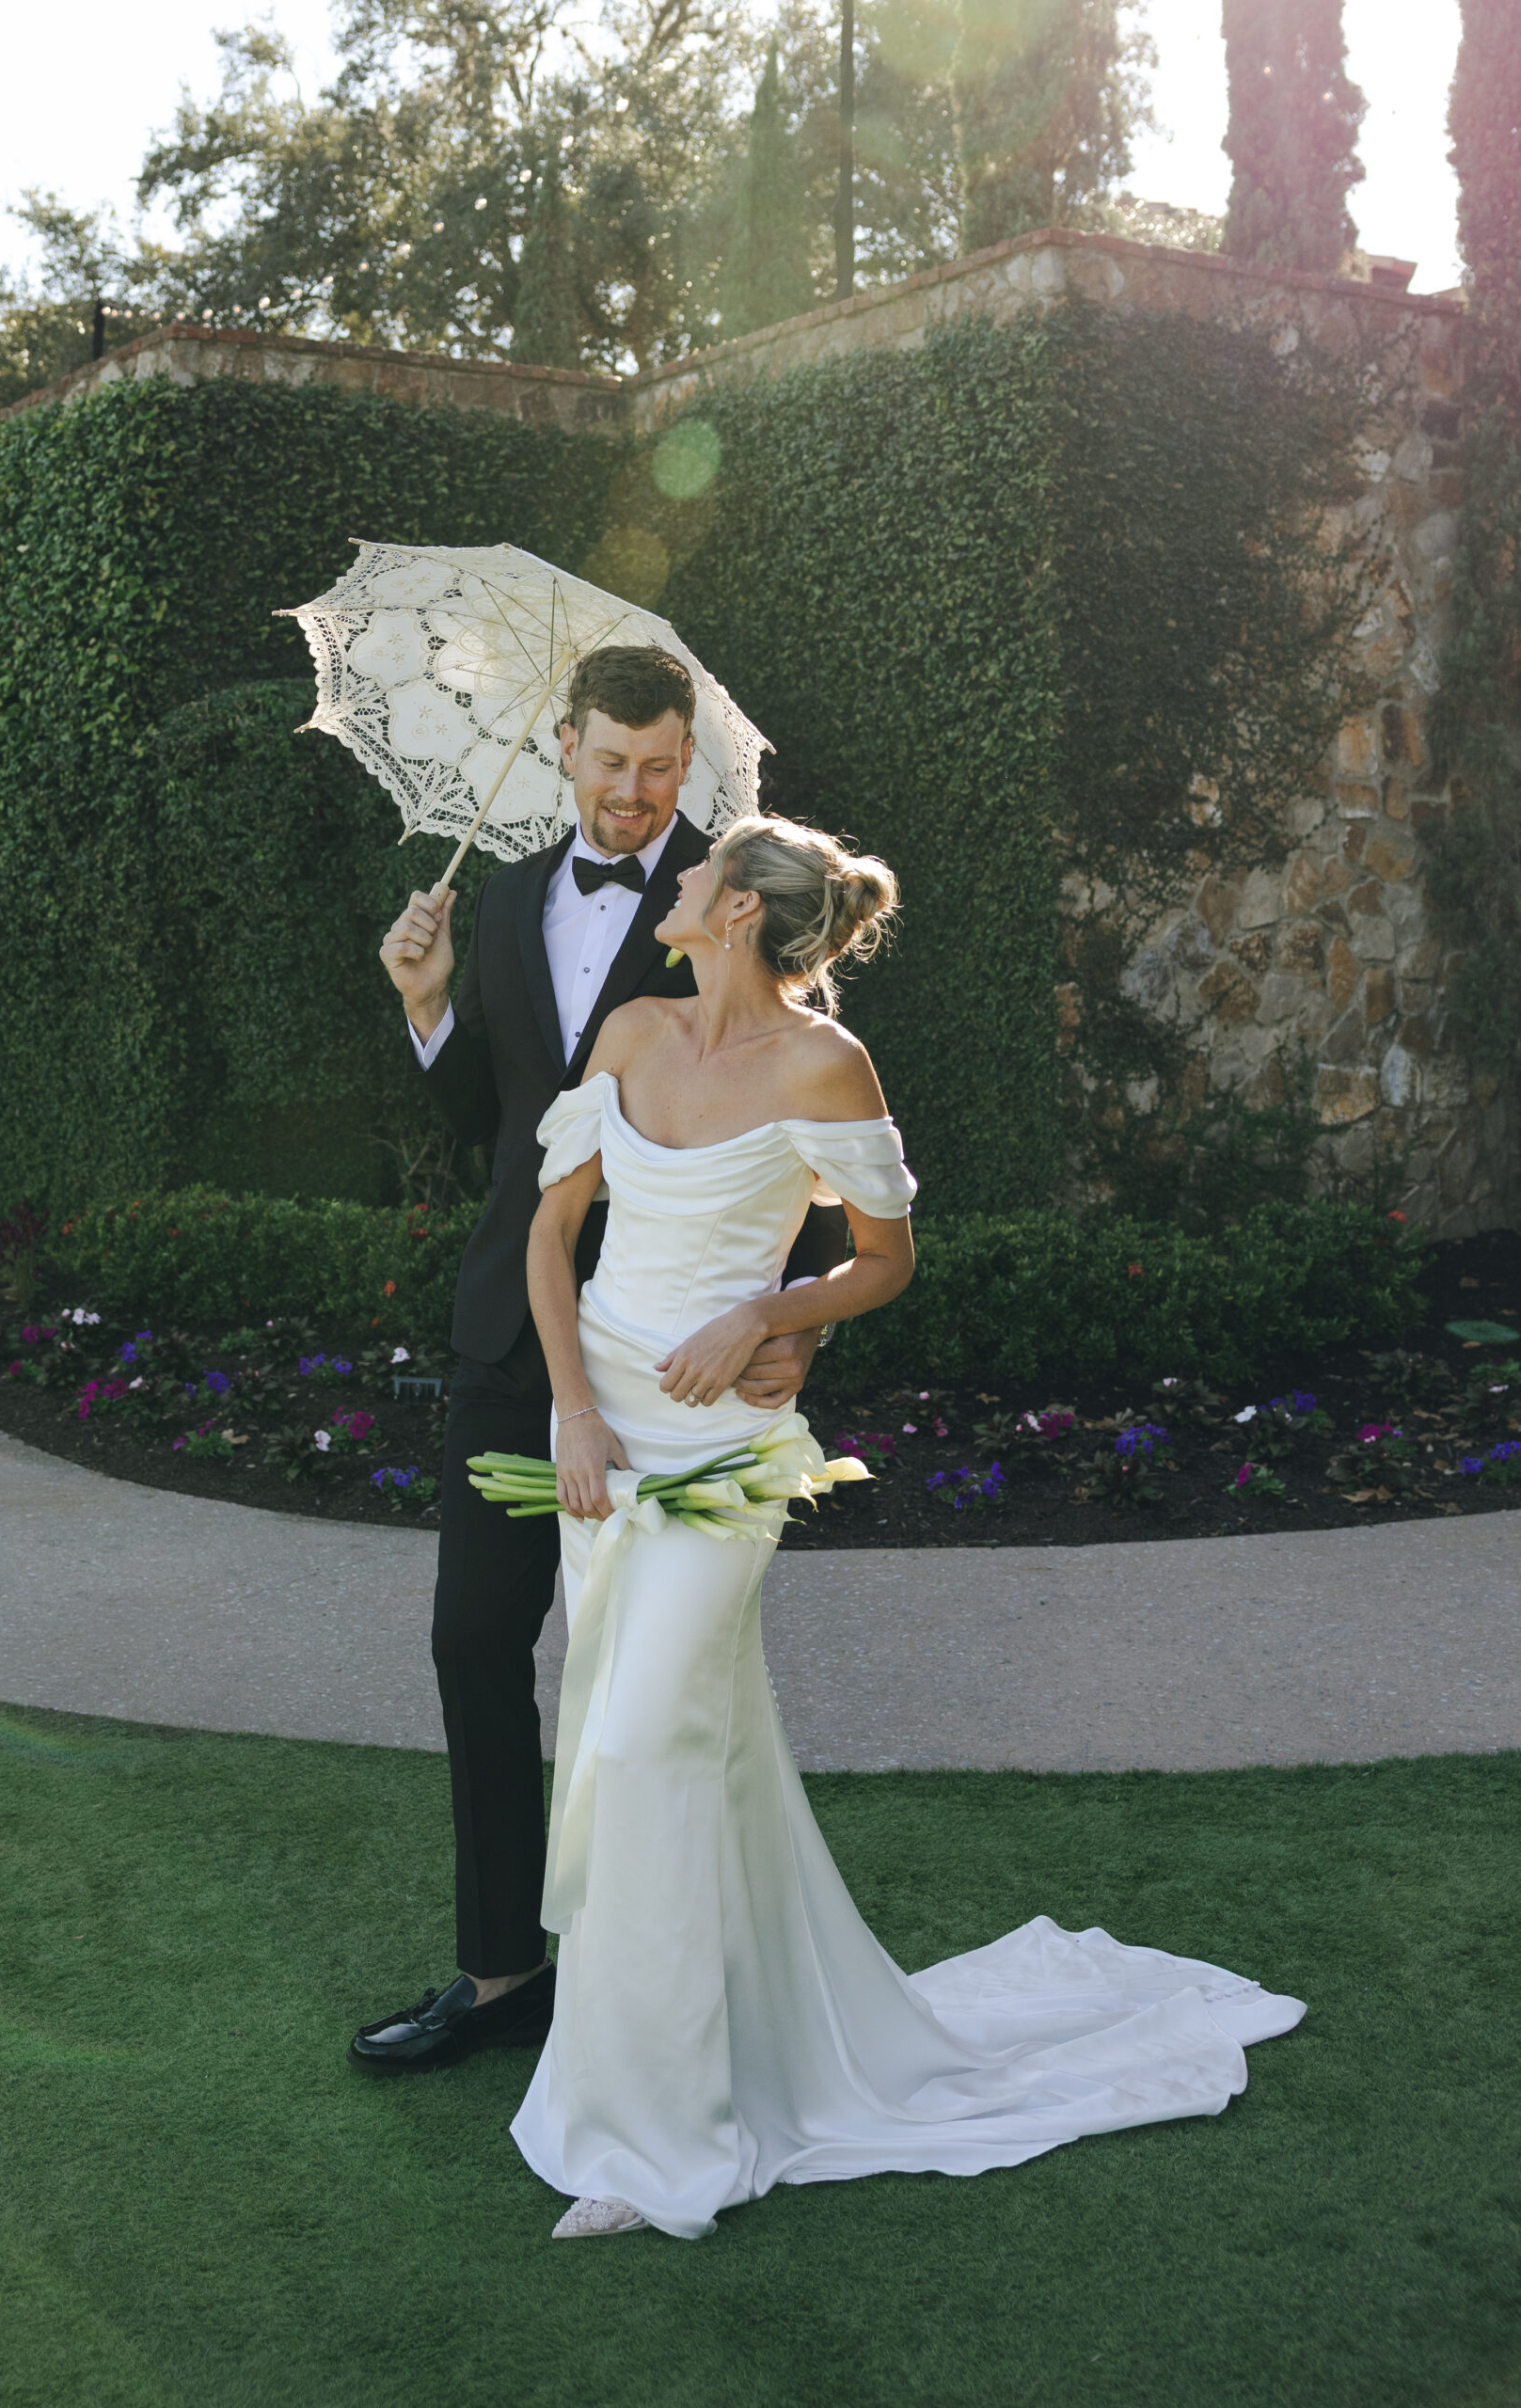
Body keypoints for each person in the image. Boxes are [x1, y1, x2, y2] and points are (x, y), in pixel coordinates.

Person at [510, 812, 1307, 2240]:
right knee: (675, 1754)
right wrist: (572, 1410)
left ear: (742, 909)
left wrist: (773, 1309)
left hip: (729, 1458)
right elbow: (549, 1233)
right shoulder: (629, 1031)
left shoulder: (828, 1063)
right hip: (606, 1443)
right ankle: (706, 2057)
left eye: (697, 874)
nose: (675, 882)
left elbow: (885, 1257)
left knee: (643, 1746)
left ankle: (658, 2144)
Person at [353, 647, 847, 2072]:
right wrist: (428, 1005)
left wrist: (778, 1321)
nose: (636, 795)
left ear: (686, 759)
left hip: (682, 1363)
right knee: (473, 1645)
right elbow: (501, 1131)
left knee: (646, 1697)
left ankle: (664, 1995)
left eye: (660, 766)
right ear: (563, 747)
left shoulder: (735, 897)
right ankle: (506, 1972)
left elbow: (820, 1147)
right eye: (611, 762)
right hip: (518, 1340)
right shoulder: (503, 899)